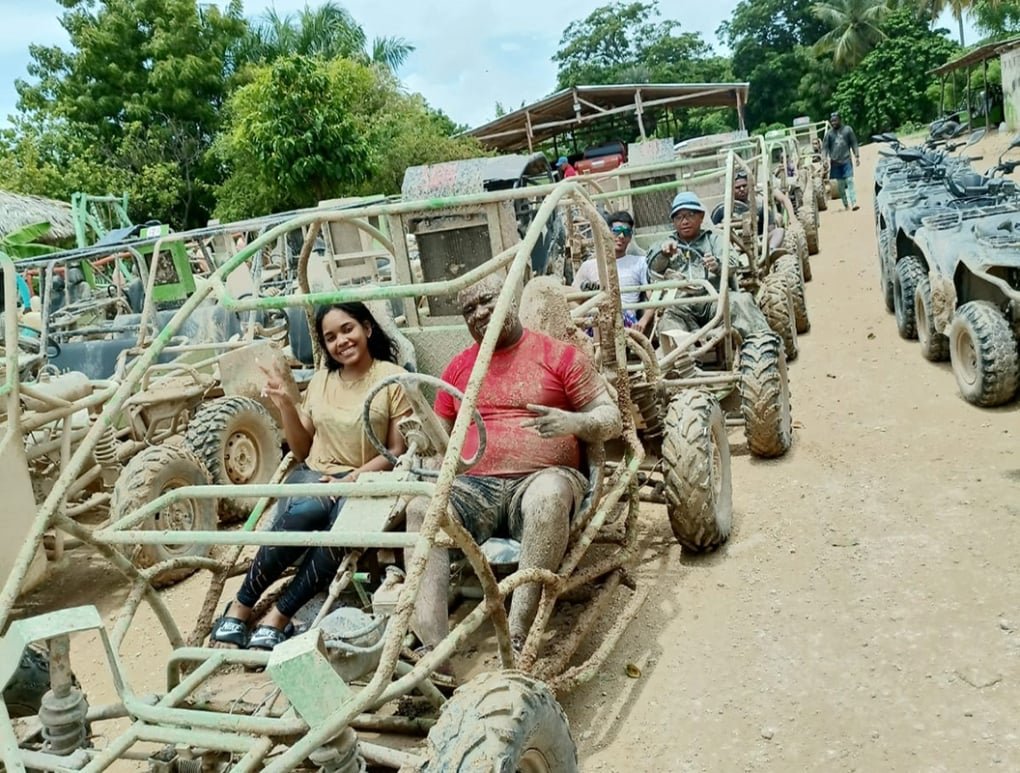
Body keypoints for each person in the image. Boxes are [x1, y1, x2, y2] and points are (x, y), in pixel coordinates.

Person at [405, 272, 622, 657]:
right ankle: (432, 649)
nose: (480, 312)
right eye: (469, 309)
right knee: (422, 508)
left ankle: (520, 629)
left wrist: (573, 422)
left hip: (543, 479)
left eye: (488, 299)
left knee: (548, 496)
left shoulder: (559, 355)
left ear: (511, 299)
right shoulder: (458, 368)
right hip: (477, 489)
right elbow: (439, 437)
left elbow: (611, 418)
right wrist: (418, 439)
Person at [210, 302, 410, 650]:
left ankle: (279, 616)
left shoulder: (392, 377)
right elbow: (301, 450)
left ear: (367, 328)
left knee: (340, 533)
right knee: (307, 509)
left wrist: (352, 480)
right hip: (315, 475)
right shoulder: (321, 380)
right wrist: (286, 404)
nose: (341, 341)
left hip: (365, 481)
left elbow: (395, 451)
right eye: (330, 337)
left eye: (347, 329)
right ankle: (240, 606)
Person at [645, 191, 771, 351]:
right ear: (673, 222)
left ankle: (764, 350)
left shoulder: (715, 239)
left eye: (690, 215)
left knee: (741, 301)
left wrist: (717, 264)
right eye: (679, 217)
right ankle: (682, 365)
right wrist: (663, 254)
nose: (684, 221)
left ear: (701, 217)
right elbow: (652, 267)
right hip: (682, 305)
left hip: (715, 299)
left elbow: (733, 263)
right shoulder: (665, 245)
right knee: (667, 321)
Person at [571, 210, 655, 335]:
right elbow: (573, 297)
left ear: (630, 237)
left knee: (608, 312)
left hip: (623, 319)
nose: (621, 236)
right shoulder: (588, 266)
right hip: (592, 319)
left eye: (626, 232)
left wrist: (643, 321)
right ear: (606, 233)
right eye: (616, 231)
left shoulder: (639, 262)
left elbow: (653, 297)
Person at [710, 171, 785, 253]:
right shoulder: (721, 210)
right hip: (730, 248)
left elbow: (771, 229)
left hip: (757, 243)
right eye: (738, 187)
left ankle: (771, 251)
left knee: (779, 231)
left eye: (744, 186)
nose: (742, 189)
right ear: (731, 190)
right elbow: (711, 234)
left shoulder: (760, 207)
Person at [822, 111, 860, 211]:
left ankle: (854, 202)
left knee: (850, 180)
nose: (833, 122)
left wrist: (857, 156)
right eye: (832, 121)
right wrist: (824, 159)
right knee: (840, 186)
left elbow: (854, 143)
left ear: (840, 119)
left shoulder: (848, 130)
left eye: (835, 120)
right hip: (835, 163)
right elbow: (825, 148)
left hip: (846, 160)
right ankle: (846, 204)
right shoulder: (829, 134)